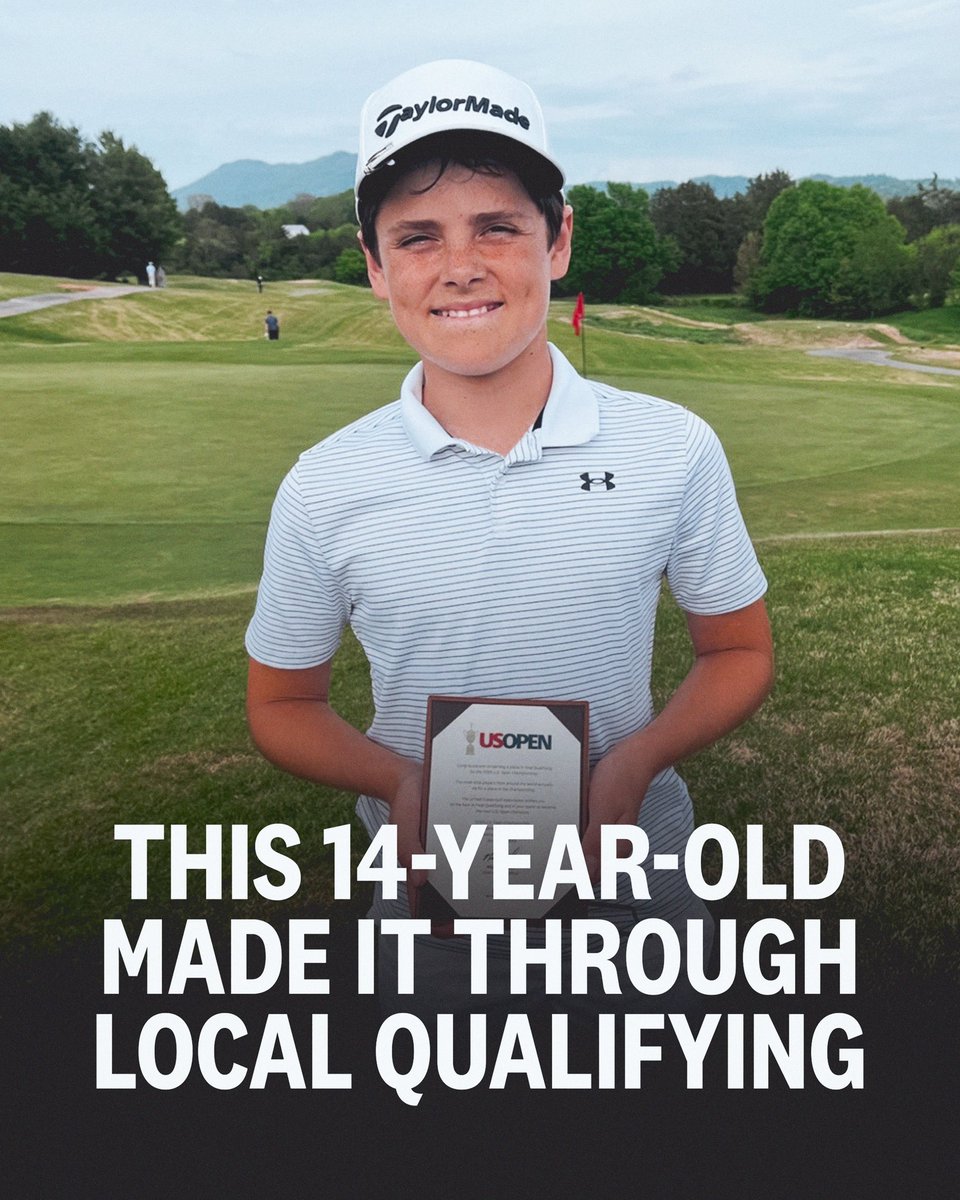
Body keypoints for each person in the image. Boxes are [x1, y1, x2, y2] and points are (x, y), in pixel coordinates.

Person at [245, 60, 773, 1017]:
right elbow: (282, 703)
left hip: (635, 886)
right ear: (373, 265)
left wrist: (635, 761)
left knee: (657, 1126)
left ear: (558, 240)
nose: (461, 265)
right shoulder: (325, 484)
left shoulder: (672, 446)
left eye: (498, 225)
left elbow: (737, 648)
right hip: (428, 898)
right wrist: (397, 781)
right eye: (417, 236)